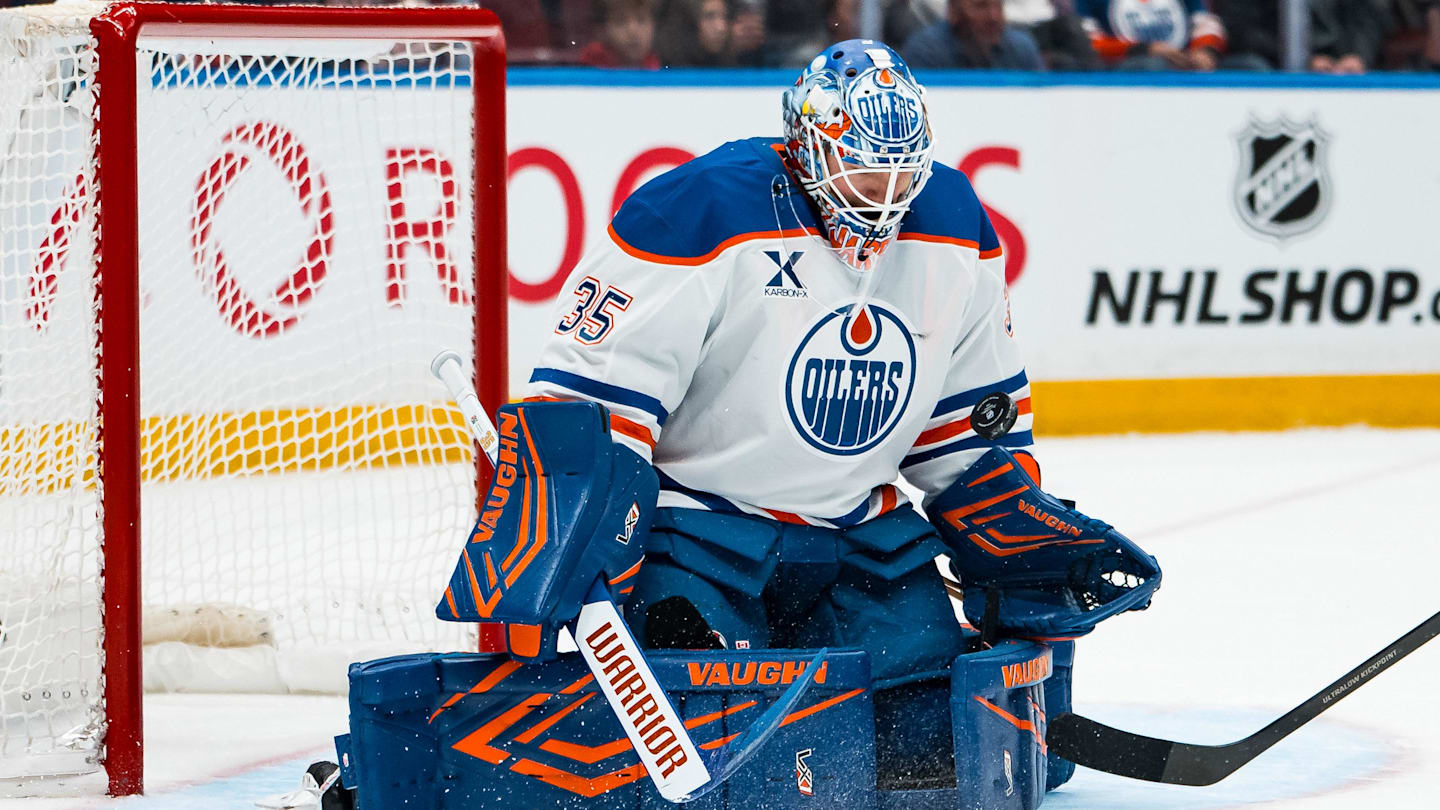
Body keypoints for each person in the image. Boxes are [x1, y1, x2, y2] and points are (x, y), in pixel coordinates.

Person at [481, 39, 1160, 795]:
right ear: (808, 147)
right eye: (867, 168)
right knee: (731, 744)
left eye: (904, 170)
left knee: (930, 744)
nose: (887, 193)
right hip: (701, 533)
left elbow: (968, 426)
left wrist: (1018, 533)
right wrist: (577, 560)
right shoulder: (697, 215)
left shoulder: (955, 223)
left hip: (857, 538)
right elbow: (591, 407)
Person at [1076, 0, 1236, 70]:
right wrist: (1144, 49)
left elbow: (1205, 23)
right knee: (1152, 66)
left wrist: (1204, 51)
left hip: (1186, 62)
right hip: (1126, 67)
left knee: (1250, 66)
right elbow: (1087, 42)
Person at [901, 0, 1046, 69]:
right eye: (981, 6)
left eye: (998, 6)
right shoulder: (927, 51)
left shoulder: (1022, 49)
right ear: (953, 12)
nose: (993, 17)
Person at [578, 0, 661, 67]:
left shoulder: (654, 65)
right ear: (603, 30)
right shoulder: (592, 64)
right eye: (620, 22)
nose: (633, 32)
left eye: (641, 20)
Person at [656, 0, 733, 66]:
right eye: (709, 17)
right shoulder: (665, 69)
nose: (721, 27)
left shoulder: (734, 67)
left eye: (725, 16)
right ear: (690, 22)